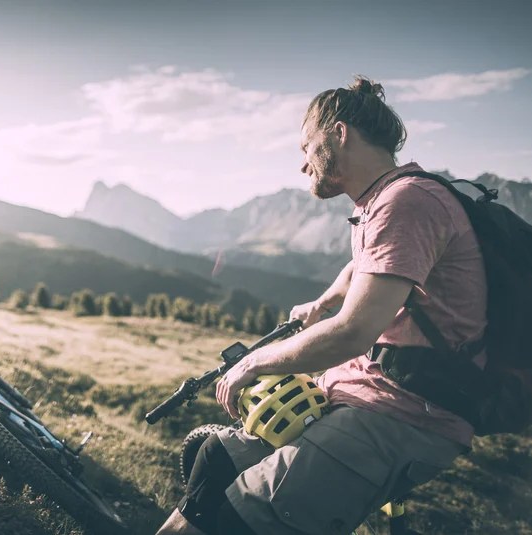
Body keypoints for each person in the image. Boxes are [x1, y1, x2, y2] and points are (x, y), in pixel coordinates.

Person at [156, 76, 487, 535]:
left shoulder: (407, 201)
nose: (303, 164)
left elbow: (353, 333)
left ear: (339, 133)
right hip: (363, 393)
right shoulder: (383, 200)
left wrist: (253, 362)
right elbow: (365, 266)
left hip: (404, 413)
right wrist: (322, 301)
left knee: (240, 517)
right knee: (218, 458)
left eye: (306, 147)